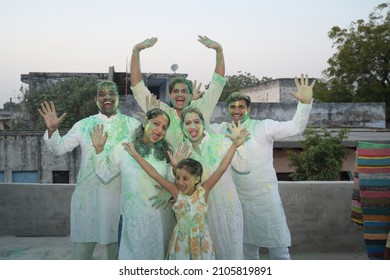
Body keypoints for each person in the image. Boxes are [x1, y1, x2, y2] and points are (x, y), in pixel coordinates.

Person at [210, 74, 316, 260]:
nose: (237, 110)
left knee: (279, 250)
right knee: (247, 251)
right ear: (227, 109)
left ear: (248, 108)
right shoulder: (221, 130)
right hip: (238, 200)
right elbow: (197, 127)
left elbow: (295, 127)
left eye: (241, 106)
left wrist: (305, 104)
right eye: (233, 106)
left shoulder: (264, 127)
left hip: (265, 199)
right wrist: (195, 103)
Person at [38, 80, 140, 260]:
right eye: (102, 94)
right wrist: (53, 130)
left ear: (118, 98)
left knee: (117, 257)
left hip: (121, 200)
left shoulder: (133, 126)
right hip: (88, 201)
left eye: (111, 93)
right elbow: (59, 148)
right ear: (96, 99)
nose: (107, 97)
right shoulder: (83, 125)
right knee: (81, 257)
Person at [124, 121, 249, 260]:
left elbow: (221, 168)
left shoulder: (204, 191)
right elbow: (153, 173)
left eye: (185, 178)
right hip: (180, 243)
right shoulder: (176, 192)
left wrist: (235, 144)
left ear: (196, 179)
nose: (180, 182)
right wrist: (135, 155)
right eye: (177, 177)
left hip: (202, 241)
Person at [90, 108, 176, 260]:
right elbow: (105, 174)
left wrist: (169, 192)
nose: (159, 130)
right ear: (145, 122)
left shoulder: (166, 153)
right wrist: (99, 150)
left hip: (161, 220)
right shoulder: (125, 148)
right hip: (133, 220)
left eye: (164, 127)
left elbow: (175, 180)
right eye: (156, 123)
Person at [130, 35, 225, 150]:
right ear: (169, 95)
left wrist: (219, 51)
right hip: (169, 167)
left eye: (184, 91)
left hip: (203, 167)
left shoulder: (201, 107)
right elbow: (138, 87)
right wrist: (136, 51)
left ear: (191, 95)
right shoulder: (160, 111)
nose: (180, 94)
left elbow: (217, 84)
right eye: (175, 91)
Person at [176, 106, 246, 259]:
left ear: (203, 123)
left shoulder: (221, 142)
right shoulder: (182, 153)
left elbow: (244, 167)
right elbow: (183, 188)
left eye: (196, 121)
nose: (192, 126)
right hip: (202, 217)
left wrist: (239, 145)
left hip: (228, 209)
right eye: (187, 123)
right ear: (182, 127)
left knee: (233, 258)